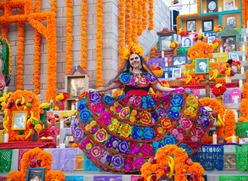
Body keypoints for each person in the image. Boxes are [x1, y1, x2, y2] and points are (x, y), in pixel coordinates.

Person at [71, 44, 212, 172]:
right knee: (129, 134)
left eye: (136, 58)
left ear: (140, 60)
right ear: (129, 61)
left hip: (147, 109)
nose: (134, 61)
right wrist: (94, 91)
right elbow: (110, 87)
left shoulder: (147, 76)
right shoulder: (125, 76)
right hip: (128, 107)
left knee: (146, 135)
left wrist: (177, 90)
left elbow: (159, 88)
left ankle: (147, 163)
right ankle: (130, 164)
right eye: (132, 59)